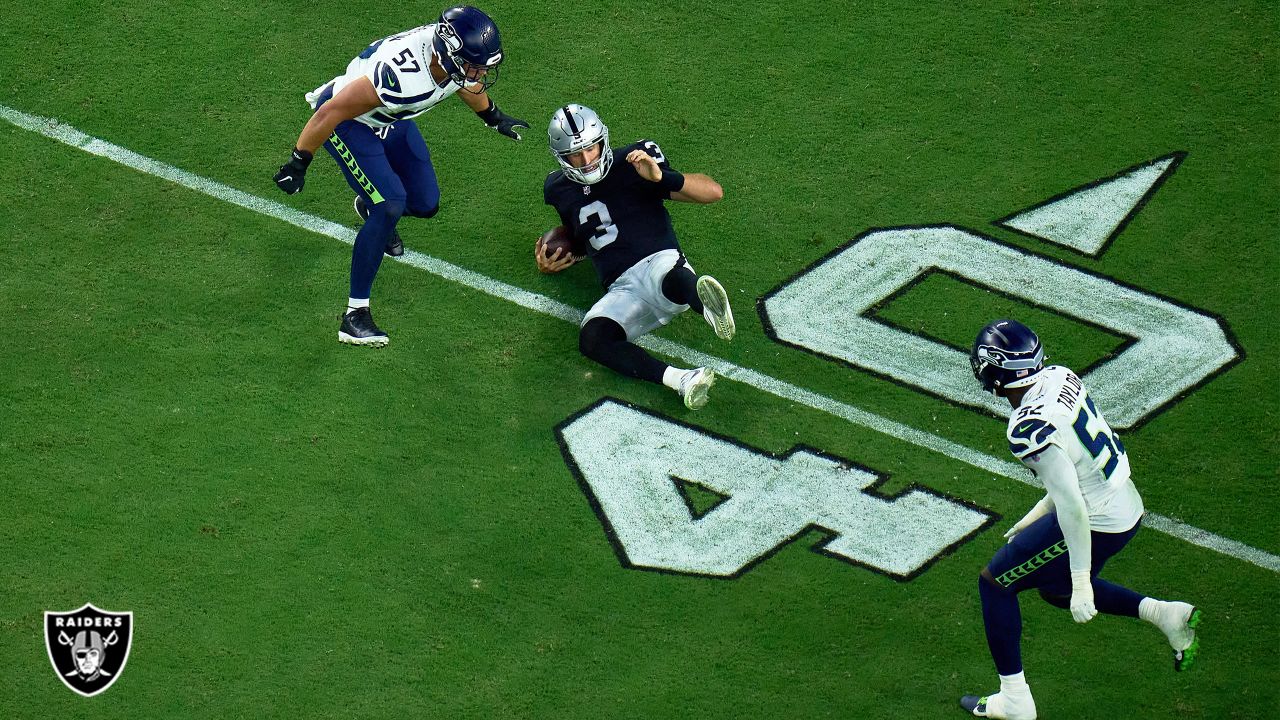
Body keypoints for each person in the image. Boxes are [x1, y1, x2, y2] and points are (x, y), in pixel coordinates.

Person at [960, 319, 1203, 719]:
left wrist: (1081, 581)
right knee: (1053, 590)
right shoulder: (1059, 377)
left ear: (996, 370)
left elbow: (1072, 502)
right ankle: (1164, 614)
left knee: (996, 584)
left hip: (1097, 519)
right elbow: (1077, 464)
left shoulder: (1027, 428)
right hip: (1124, 503)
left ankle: (1015, 702)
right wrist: (1037, 514)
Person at [273, 6, 528, 347]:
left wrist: (493, 116)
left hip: (389, 118)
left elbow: (463, 82)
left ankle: (370, 206)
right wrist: (298, 162)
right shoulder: (401, 75)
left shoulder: (447, 61)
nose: (479, 73)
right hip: (350, 122)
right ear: (449, 54)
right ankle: (354, 315)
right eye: (473, 64)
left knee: (425, 202)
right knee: (390, 203)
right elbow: (330, 111)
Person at [536, 104, 734, 409]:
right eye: (576, 154)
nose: (587, 160)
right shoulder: (558, 188)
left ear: (603, 140)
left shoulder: (635, 161)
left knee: (672, 278)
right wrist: (559, 258)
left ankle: (706, 303)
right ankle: (682, 379)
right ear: (561, 157)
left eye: (591, 148)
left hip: (659, 260)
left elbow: (713, 192)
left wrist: (659, 178)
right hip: (622, 289)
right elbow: (582, 235)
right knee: (592, 337)